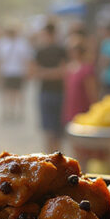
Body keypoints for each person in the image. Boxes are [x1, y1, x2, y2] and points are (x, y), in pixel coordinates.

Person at [31, 21, 68, 152]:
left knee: (50, 130)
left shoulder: (42, 51)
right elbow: (62, 72)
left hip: (49, 92)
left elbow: (36, 72)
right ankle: (56, 156)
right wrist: (55, 72)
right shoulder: (59, 50)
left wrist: (45, 72)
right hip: (57, 92)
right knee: (55, 131)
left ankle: (50, 156)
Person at [0, 26, 33, 120]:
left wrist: (27, 71)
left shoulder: (22, 42)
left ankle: (18, 111)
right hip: (7, 71)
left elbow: (26, 59)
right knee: (8, 92)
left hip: (18, 71)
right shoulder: (3, 42)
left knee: (18, 92)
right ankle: (8, 111)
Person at [63, 37, 97, 123]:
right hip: (72, 108)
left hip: (83, 108)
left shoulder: (87, 69)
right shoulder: (70, 68)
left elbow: (92, 92)